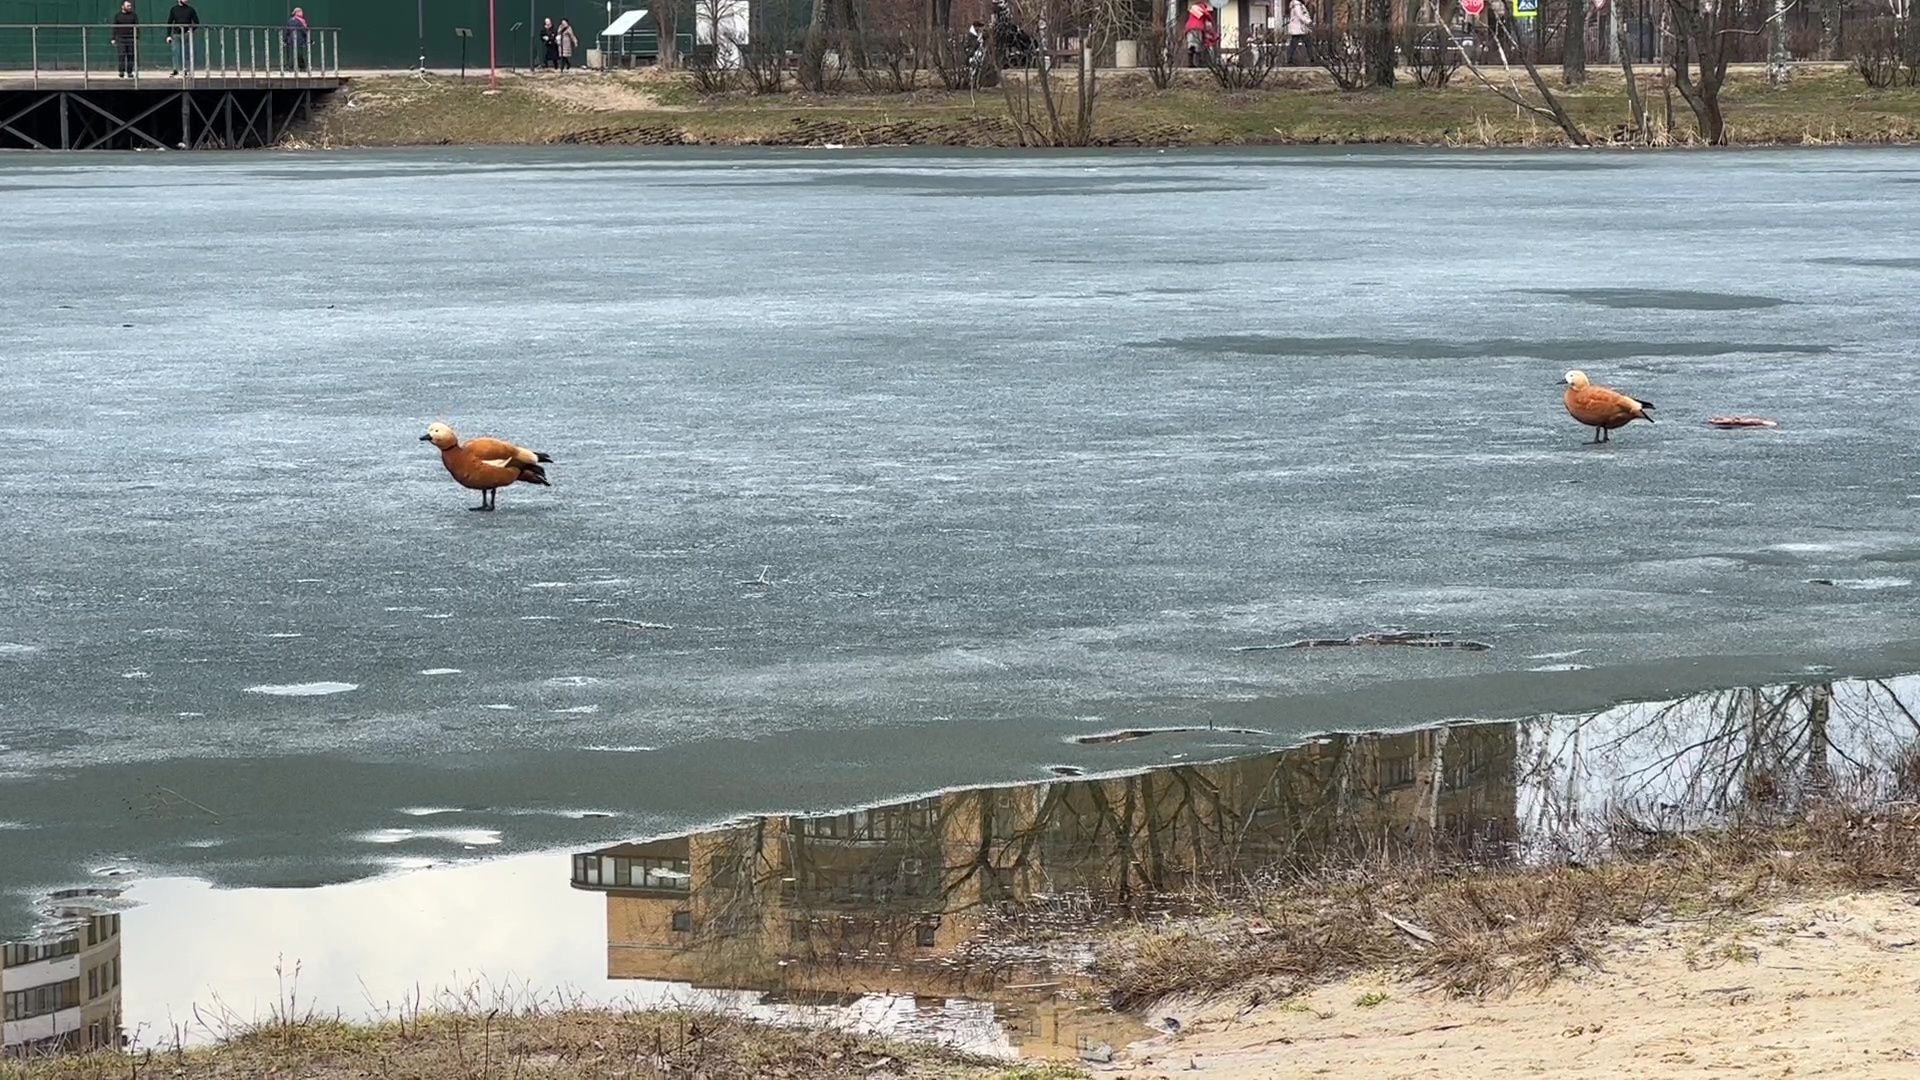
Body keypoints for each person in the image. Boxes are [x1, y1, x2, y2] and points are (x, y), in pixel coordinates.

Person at [165, 0, 200, 77]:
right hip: (176, 34)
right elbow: (169, 22)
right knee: (175, 52)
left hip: (186, 35)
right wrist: (168, 35)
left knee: (187, 53)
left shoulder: (190, 10)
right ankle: (175, 70)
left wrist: (190, 31)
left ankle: (186, 70)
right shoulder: (174, 9)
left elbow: (197, 22)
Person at [111, 1, 138, 78]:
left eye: (130, 6)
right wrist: (113, 38)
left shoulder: (133, 15)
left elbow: (137, 26)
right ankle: (121, 71)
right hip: (121, 38)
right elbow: (114, 27)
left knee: (131, 55)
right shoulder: (118, 16)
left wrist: (136, 37)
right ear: (123, 7)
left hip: (130, 38)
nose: (129, 7)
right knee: (121, 55)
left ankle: (129, 72)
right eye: (127, 6)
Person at [1284, 0, 1312, 65]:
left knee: (1294, 44)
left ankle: (1290, 59)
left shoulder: (1298, 4)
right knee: (1307, 43)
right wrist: (1308, 21)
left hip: (1299, 28)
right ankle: (1311, 58)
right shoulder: (1297, 5)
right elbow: (1300, 15)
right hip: (1299, 28)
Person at [282, 7, 310, 73]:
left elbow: (287, 31)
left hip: (291, 40)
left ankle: (290, 67)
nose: (302, 13)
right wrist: (308, 39)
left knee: (291, 54)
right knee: (300, 54)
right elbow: (304, 31)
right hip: (299, 40)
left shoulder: (290, 20)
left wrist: (285, 39)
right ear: (297, 12)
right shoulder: (301, 21)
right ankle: (302, 67)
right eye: (301, 11)